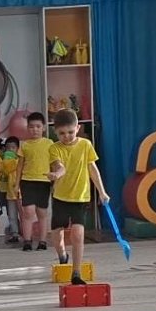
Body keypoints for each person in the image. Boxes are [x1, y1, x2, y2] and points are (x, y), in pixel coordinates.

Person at [47, 108, 110, 286]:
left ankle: (76, 272)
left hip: (80, 198)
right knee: (57, 234)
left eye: (70, 132)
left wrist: (102, 191)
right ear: (55, 132)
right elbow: (59, 166)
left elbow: (92, 169)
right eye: (62, 133)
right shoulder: (54, 148)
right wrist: (57, 174)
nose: (66, 136)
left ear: (78, 128)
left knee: (78, 234)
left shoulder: (85, 145)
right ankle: (62, 255)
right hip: (60, 197)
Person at [15, 112, 54, 252]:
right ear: (27, 128)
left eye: (38, 126)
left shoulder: (49, 144)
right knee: (28, 211)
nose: (35, 129)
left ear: (43, 128)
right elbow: (19, 166)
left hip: (44, 181)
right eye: (31, 127)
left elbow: (54, 163)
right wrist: (16, 184)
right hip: (27, 181)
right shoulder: (24, 145)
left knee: (42, 212)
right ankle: (27, 240)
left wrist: (55, 180)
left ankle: (42, 241)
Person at [2, 136, 21, 244]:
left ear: (18, 148)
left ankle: (26, 233)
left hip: (21, 192)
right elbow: (6, 171)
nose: (10, 150)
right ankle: (15, 234)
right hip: (10, 192)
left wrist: (16, 160)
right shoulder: (6, 161)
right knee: (12, 215)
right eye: (8, 148)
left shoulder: (21, 160)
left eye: (13, 147)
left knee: (23, 214)